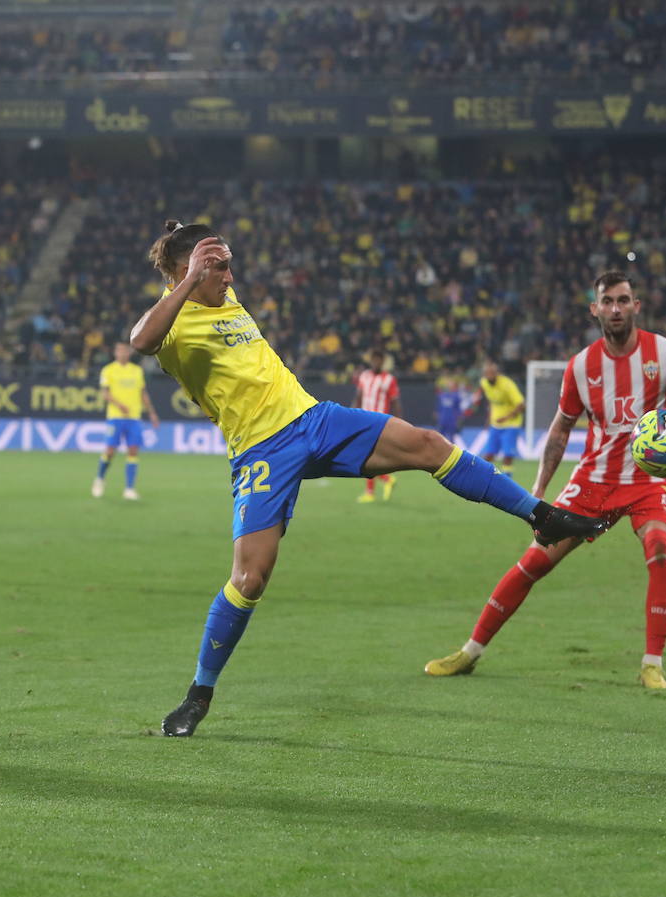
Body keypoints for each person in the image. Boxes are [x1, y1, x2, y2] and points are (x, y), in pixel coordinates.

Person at [131, 221, 608, 737]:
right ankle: (198, 696)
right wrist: (187, 276)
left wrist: (189, 243)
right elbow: (140, 339)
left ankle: (542, 516)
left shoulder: (224, 295)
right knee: (249, 580)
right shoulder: (175, 321)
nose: (229, 274)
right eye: (217, 266)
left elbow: (190, 256)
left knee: (429, 445)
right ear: (187, 272)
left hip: (314, 420)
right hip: (261, 450)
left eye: (227, 263)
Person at [425, 270, 666, 689]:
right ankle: (470, 652)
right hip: (593, 480)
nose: (616, 308)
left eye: (623, 300)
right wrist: (538, 492)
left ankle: (652, 663)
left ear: (636, 305)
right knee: (534, 562)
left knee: (661, 549)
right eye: (608, 301)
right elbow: (561, 429)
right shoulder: (581, 366)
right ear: (594, 309)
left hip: (649, 480)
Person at [92, 341, 160, 500]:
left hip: (134, 418)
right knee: (110, 452)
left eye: (125, 350)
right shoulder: (108, 370)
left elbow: (143, 394)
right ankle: (99, 479)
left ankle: (129, 489)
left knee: (133, 451)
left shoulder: (137, 371)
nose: (122, 353)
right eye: (119, 350)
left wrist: (152, 413)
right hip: (115, 417)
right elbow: (105, 394)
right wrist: (120, 405)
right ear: (115, 353)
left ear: (129, 353)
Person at [352, 350, 400, 503]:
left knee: (366, 456)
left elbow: (395, 402)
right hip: (363, 421)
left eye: (379, 360)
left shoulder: (389, 379)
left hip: (379, 422)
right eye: (374, 359)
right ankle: (384, 481)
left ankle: (373, 489)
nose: (376, 362)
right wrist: (351, 416)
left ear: (383, 361)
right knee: (367, 456)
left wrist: (399, 422)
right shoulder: (364, 376)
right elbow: (358, 397)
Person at [472, 360, 525, 476]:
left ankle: (507, 480)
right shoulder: (484, 383)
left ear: (497, 373)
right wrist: (489, 419)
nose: (489, 376)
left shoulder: (507, 384)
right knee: (489, 454)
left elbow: (521, 405)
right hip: (495, 424)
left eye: (492, 373)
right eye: (487, 373)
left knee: (508, 455)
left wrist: (506, 418)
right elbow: (492, 402)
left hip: (511, 424)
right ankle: (482, 478)